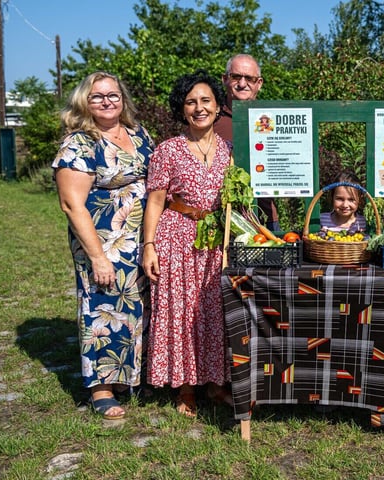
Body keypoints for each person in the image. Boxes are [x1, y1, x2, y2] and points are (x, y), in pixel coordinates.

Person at [53, 71, 154, 420]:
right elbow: (72, 204)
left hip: (141, 240)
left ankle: (130, 377)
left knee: (138, 309)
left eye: (113, 95)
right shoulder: (79, 144)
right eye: (98, 96)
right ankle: (102, 387)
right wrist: (97, 256)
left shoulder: (139, 134)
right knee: (102, 308)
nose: (107, 101)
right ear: (85, 102)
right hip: (104, 243)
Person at [142, 70, 233, 418]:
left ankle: (215, 382)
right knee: (181, 313)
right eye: (191, 102)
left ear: (217, 106)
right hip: (177, 236)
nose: (199, 108)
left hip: (216, 240)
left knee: (214, 312)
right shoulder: (168, 150)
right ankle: (185, 387)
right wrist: (149, 245)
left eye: (206, 101)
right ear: (182, 110)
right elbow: (155, 200)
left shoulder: (229, 150)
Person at [213, 53, 279, 231]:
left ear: (259, 83)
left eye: (249, 78)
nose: (242, 84)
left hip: (264, 217)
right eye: (236, 77)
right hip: (219, 217)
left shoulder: (272, 119)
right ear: (225, 79)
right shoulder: (210, 118)